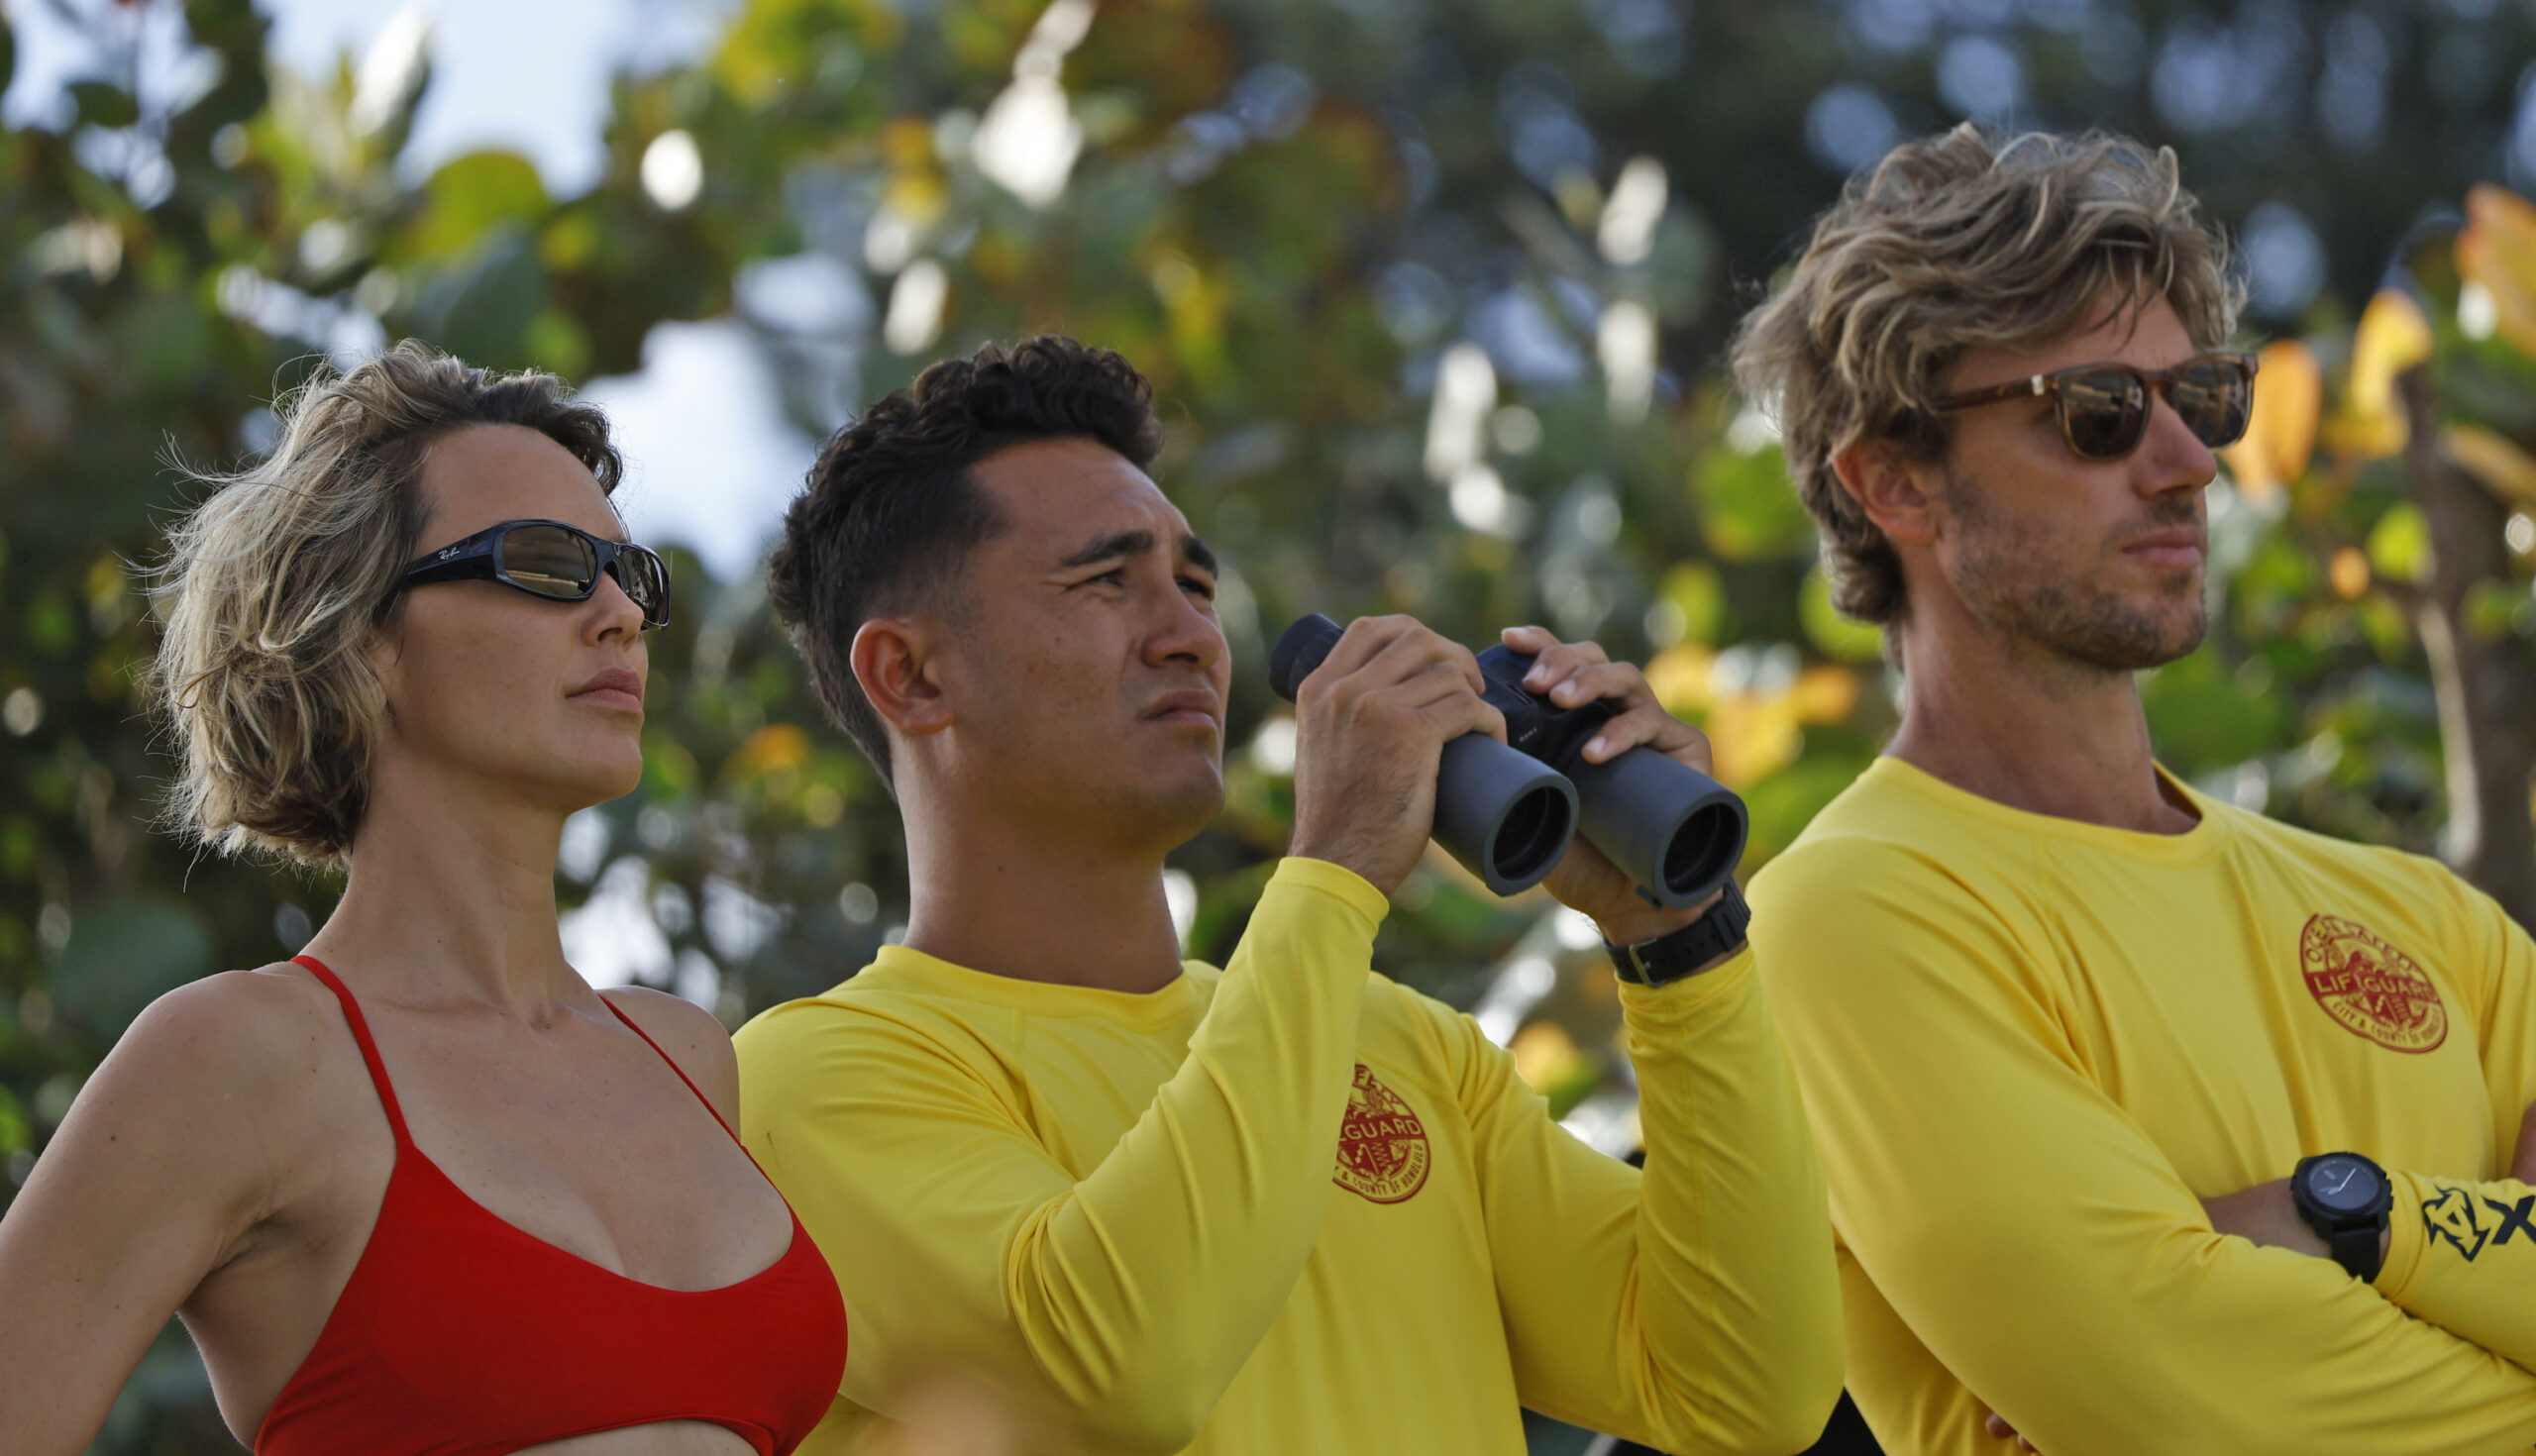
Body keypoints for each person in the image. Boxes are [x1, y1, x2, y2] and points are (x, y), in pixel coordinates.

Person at [735, 335, 1844, 1455]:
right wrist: (1337, 868)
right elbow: (1121, 1367)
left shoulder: (1406, 1047)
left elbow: (1741, 1387)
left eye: (1197, 586)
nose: (1193, 640)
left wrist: (1678, 939)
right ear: (910, 676)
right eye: (1105, 581)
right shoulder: (809, 1081)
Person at [1731, 124, 2536, 1456]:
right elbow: (2199, 1409)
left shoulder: (2424, 915)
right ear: (1893, 480)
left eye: (2202, 397)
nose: (2190, 464)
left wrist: (2351, 1215)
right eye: (2097, 411)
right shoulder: (1854, 914)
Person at [0, 342, 846, 1455]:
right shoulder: (238, 1059)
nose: (619, 615)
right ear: (359, 636)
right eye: (546, 564)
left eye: (628, 575)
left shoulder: (687, 1055)